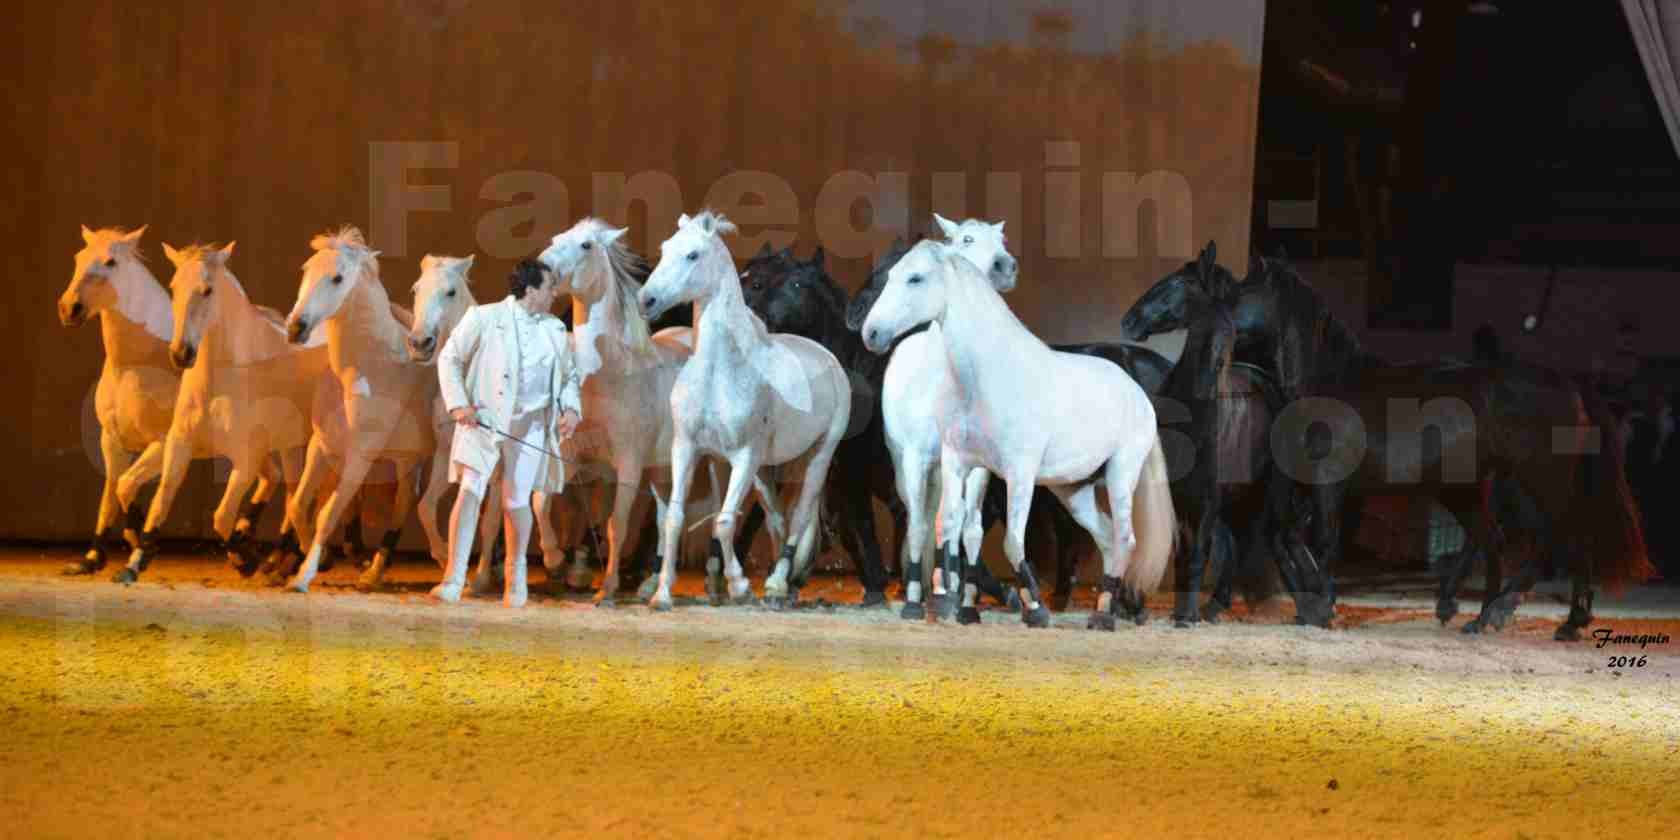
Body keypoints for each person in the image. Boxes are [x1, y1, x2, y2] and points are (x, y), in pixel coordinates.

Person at [433, 258, 583, 607]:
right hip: (484, 420)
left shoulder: (555, 330)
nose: (555, 293)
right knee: (471, 490)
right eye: (550, 287)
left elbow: (569, 377)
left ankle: (516, 582)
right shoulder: (484, 318)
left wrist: (571, 409)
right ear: (531, 290)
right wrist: (458, 404)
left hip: (531, 424)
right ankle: (453, 578)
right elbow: (449, 358)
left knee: (516, 501)